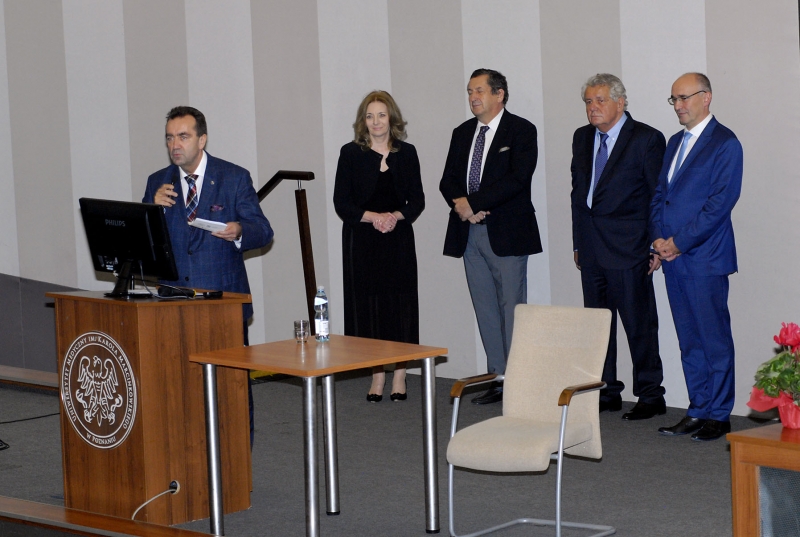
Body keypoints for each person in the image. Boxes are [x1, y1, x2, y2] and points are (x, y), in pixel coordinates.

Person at [143, 106, 273, 443]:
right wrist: (152, 209)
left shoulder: (233, 177)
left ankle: (238, 457)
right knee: (177, 388)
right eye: (170, 138)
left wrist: (239, 230)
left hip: (221, 303)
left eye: (183, 137)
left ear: (202, 140)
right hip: (171, 303)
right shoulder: (158, 182)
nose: (175, 145)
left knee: (231, 389)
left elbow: (263, 230)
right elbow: (146, 245)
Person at [439, 69, 541, 405]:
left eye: (479, 90)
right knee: (485, 308)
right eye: (470, 91)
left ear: (499, 94)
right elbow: (447, 180)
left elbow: (518, 179)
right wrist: (464, 207)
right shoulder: (462, 132)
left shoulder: (521, 130)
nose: (473, 97)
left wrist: (476, 203)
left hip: (507, 233)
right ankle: (497, 377)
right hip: (469, 233)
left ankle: (518, 382)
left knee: (512, 309)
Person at [650, 73, 742, 442]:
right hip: (673, 259)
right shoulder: (675, 142)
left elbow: (719, 204)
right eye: (674, 99)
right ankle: (698, 408)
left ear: (707, 97)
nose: (679, 105)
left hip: (704, 258)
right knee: (689, 340)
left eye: (685, 97)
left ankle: (719, 415)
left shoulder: (725, 143)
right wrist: (658, 239)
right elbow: (661, 194)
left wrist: (679, 242)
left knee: (713, 340)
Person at [571, 73, 667, 421]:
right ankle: (607, 390)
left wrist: (655, 246)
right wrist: (578, 242)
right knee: (597, 327)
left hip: (630, 249)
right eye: (588, 102)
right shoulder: (582, 137)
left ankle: (651, 395)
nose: (592, 108)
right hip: (591, 248)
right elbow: (578, 193)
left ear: (620, 102)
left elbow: (657, 196)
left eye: (600, 100)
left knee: (640, 325)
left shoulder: (646, 139)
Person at [333, 91, 425, 403]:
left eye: (381, 115)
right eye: (370, 116)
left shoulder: (407, 153)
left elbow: (417, 201)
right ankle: (376, 374)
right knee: (368, 306)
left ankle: (399, 373)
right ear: (363, 121)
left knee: (399, 306)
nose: (376, 122)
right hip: (362, 241)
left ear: (391, 119)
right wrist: (374, 217)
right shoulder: (350, 153)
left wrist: (393, 217)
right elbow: (342, 203)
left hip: (397, 241)